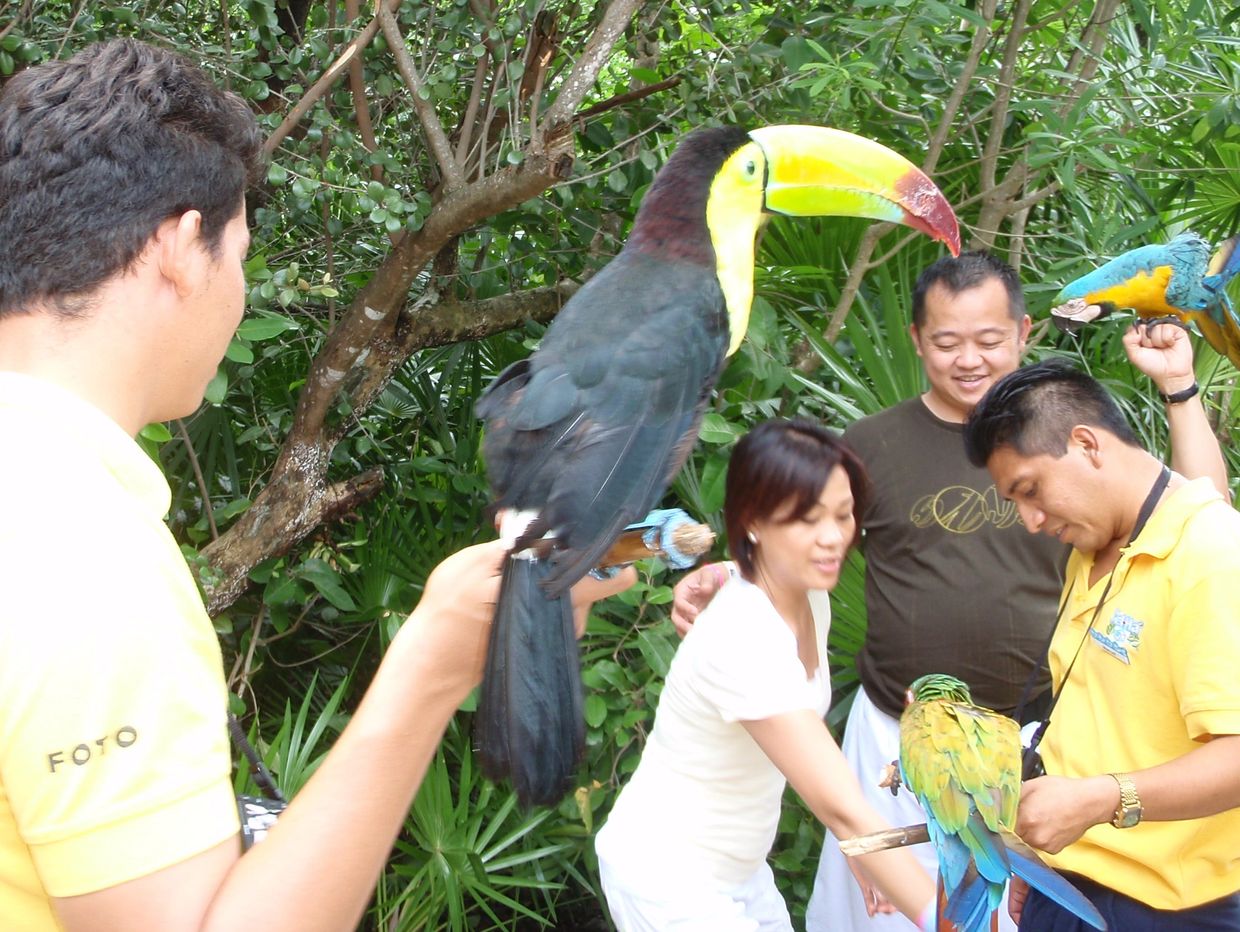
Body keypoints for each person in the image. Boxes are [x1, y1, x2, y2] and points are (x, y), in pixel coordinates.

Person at [0, 39, 629, 931]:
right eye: (241, 252)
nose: (240, 288)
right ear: (182, 248)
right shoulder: (83, 554)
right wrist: (430, 667)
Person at [671, 252, 1229, 930]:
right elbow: (802, 544)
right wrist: (731, 575)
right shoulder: (876, 447)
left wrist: (1178, 387)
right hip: (907, 744)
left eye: (989, 340)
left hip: (1038, 760)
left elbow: (1201, 511)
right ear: (916, 341)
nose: (969, 359)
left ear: (1023, 333)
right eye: (946, 341)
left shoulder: (1092, 471)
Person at [595, 419, 937, 932]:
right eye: (805, 520)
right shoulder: (742, 634)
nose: (831, 539)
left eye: (843, 516)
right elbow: (845, 808)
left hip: (741, 870)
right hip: (667, 875)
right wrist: (955, 921)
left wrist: (865, 850)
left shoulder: (807, 592)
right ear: (753, 520)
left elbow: (800, 751)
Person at [962, 359, 1240, 930]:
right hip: (1068, 885)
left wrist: (1101, 800)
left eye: (1030, 491)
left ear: (1087, 443)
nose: (1031, 521)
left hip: (1166, 910)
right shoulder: (1094, 549)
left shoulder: (1211, 555)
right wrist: (1041, 854)